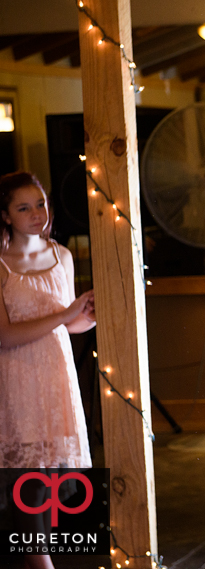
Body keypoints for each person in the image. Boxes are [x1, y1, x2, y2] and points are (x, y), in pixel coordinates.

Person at [0, 172, 96, 569]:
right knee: (30, 476)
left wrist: (89, 315)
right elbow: (5, 336)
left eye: (40, 204)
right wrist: (66, 314)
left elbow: (69, 323)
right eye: (23, 207)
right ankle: (40, 563)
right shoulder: (0, 264)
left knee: (50, 476)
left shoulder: (62, 255)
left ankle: (35, 560)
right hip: (18, 377)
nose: (37, 214)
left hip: (58, 374)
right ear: (5, 215)